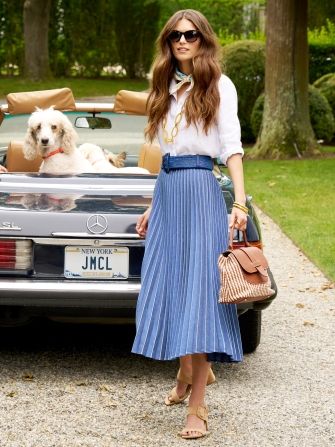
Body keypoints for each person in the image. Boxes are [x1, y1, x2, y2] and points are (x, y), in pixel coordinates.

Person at [131, 9, 247, 440]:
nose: (183, 41)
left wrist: (240, 202)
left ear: (203, 39)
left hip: (201, 191)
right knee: (168, 288)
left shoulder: (220, 85)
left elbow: (231, 148)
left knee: (200, 296)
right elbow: (164, 156)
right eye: (176, 35)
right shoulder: (162, 86)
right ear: (168, 42)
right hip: (168, 193)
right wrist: (152, 206)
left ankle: (197, 406)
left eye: (191, 34)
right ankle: (186, 370)